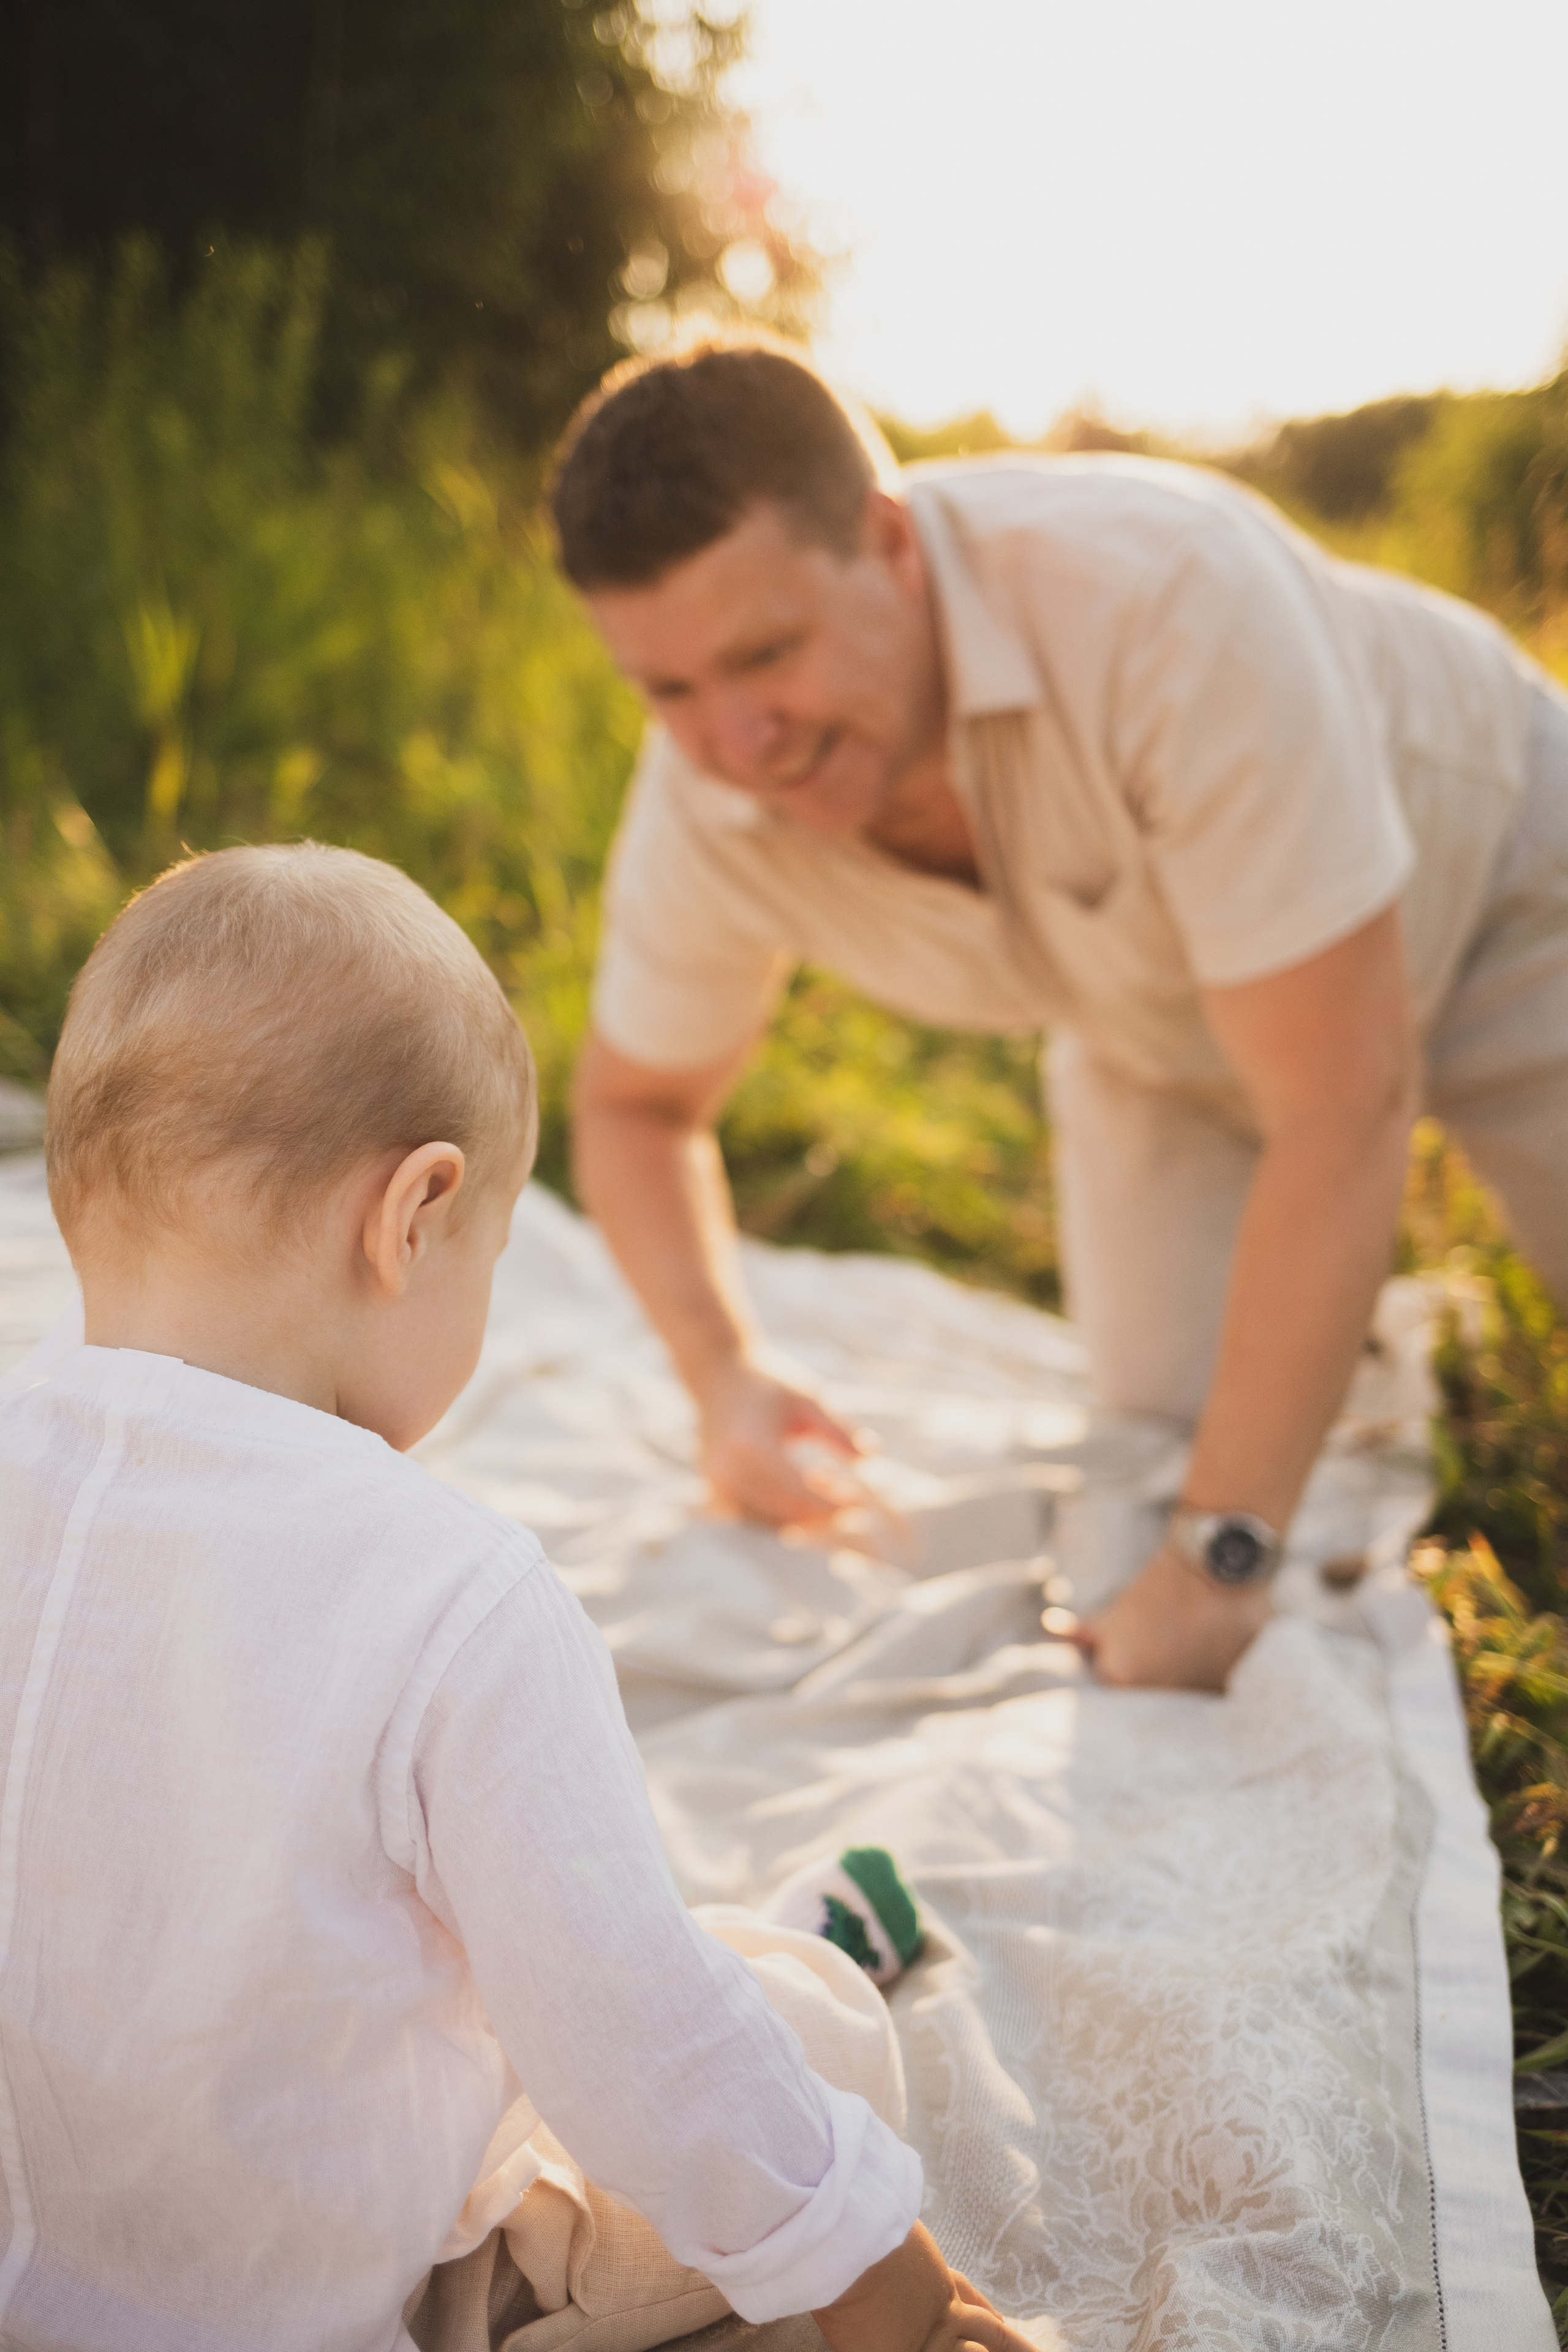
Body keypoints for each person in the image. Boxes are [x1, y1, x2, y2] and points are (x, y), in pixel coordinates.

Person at [0, 843, 1041, 2352]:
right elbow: (637, 2042)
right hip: (304, 2305)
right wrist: (904, 2300)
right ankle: (790, 1958)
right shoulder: (450, 1598)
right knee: (774, 2032)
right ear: (414, 1216)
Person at [551, 334, 1568, 1697]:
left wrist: (1219, 1564)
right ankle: (1366, 1347)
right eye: (669, 690)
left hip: (1502, 884)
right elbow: (637, 1106)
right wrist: (723, 1377)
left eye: (768, 653)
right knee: (1163, 1433)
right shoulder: (708, 800)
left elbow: (1342, 1100)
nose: (739, 743)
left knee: (1221, 1505)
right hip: (1162, 1037)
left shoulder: (1165, 604)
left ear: (890, 544)